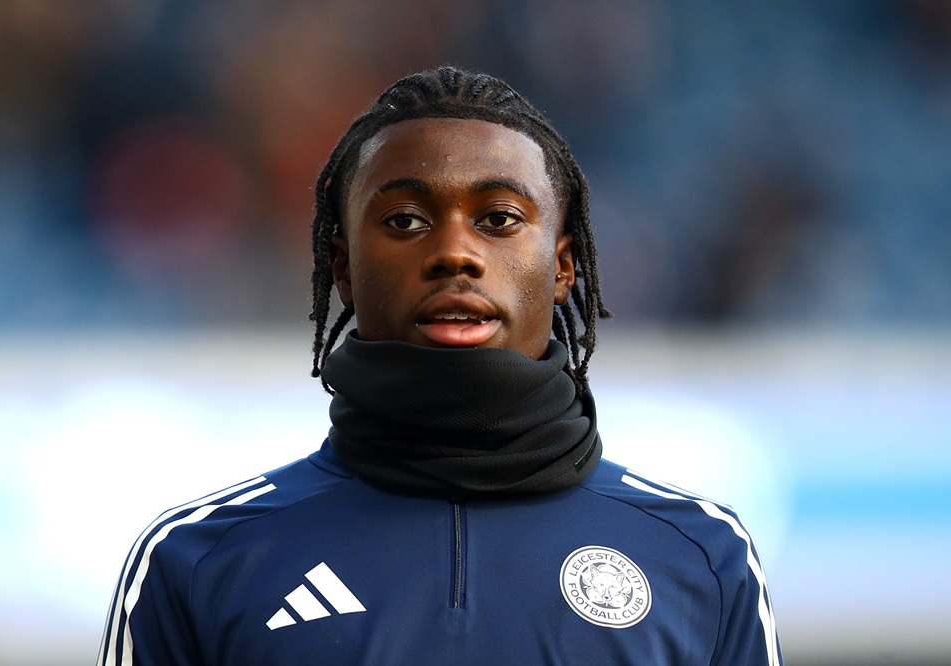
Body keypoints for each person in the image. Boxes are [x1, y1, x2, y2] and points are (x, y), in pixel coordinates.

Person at [97, 66, 784, 665]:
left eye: (500, 218)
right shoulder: (199, 560)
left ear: (564, 268)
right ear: (342, 266)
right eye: (403, 220)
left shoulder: (700, 556)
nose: (455, 251)